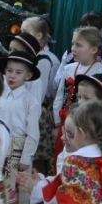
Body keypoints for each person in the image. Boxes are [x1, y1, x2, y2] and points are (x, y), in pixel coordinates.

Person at [52, 27, 102, 156]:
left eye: (78, 45)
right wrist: (57, 123)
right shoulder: (68, 68)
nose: (73, 48)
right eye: (73, 44)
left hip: (87, 125)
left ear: (93, 50)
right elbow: (59, 96)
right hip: (66, 121)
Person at [21, 17, 61, 174]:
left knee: (37, 158)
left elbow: (40, 93)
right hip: (26, 110)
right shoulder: (30, 56)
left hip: (37, 114)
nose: (21, 35)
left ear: (38, 35)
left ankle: (38, 187)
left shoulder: (44, 60)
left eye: (25, 31)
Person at [0, 51, 41, 182]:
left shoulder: (31, 101)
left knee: (16, 186)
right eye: (9, 71)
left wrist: (26, 157)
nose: (12, 75)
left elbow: (33, 132)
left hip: (18, 151)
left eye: (18, 72)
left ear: (28, 76)